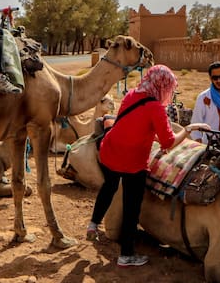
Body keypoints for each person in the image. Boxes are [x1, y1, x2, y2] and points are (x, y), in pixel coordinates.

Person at [85, 65, 198, 267]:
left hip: (111, 150)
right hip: (132, 161)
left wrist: (154, 137)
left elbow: (133, 124)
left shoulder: (131, 95)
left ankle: (93, 224)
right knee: (131, 207)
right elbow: (169, 142)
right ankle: (126, 255)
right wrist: (188, 130)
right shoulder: (155, 107)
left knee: (109, 187)